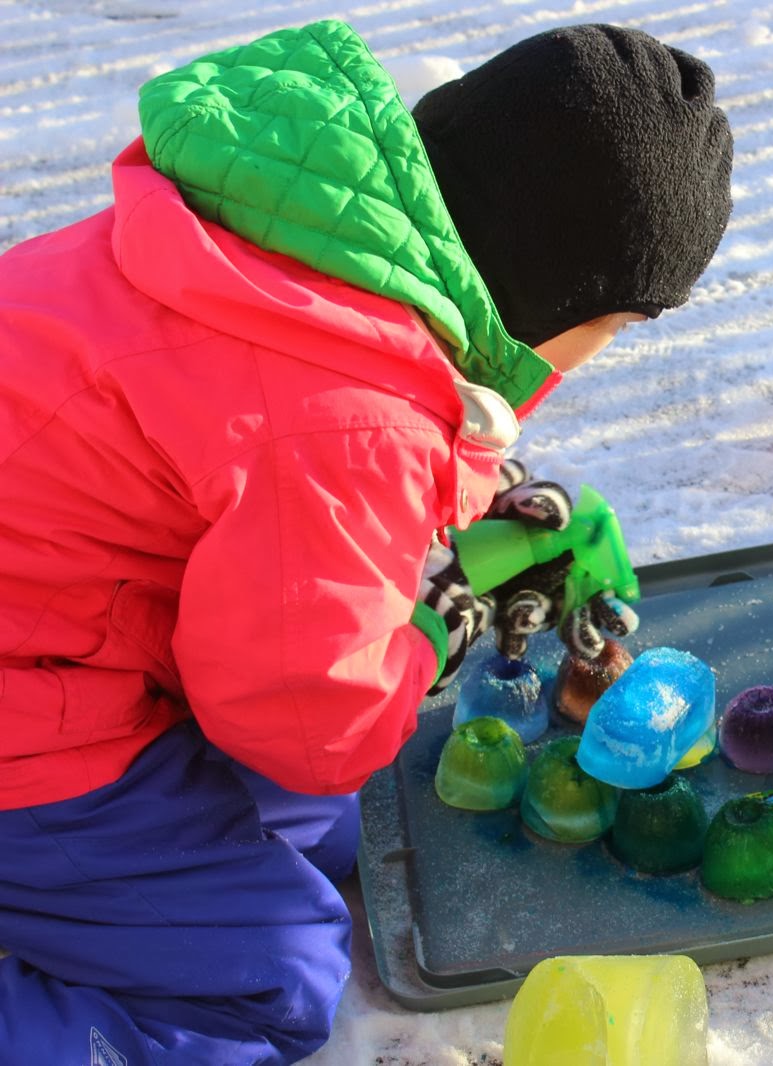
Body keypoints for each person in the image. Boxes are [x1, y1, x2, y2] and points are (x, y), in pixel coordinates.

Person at [0, 18, 732, 1065]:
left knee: (333, 818)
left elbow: (243, 441)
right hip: (29, 717)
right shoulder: (349, 421)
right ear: (557, 289)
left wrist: (469, 511)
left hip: (53, 613)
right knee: (273, 973)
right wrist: (435, 628)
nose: (595, 352)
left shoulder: (280, 232)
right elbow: (310, 722)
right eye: (613, 325)